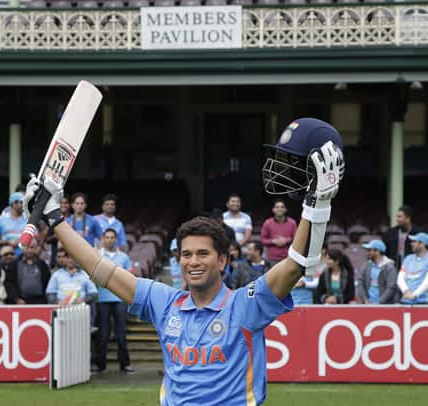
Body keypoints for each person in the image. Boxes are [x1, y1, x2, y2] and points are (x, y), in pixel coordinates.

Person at [22, 116, 344, 405]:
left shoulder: (245, 306)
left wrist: (317, 204)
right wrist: (55, 220)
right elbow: (100, 269)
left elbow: (294, 266)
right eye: (186, 254)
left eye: (203, 254)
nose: (192, 261)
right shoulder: (166, 303)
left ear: (222, 261)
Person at [93, 228, 135, 374]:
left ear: (116, 240)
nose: (110, 240)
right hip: (103, 299)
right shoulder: (97, 256)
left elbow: (129, 277)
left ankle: (125, 365)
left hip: (119, 298)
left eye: (112, 237)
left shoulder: (123, 257)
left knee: (121, 333)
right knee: (103, 334)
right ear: (103, 239)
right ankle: (100, 366)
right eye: (107, 237)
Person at [397, 232, 428, 304]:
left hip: (426, 302)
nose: (411, 244)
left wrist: (415, 295)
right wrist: (406, 291)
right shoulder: (408, 258)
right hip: (406, 301)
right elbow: (400, 279)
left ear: (422, 244)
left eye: (414, 242)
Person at [5, 239, 50, 305]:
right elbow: (9, 283)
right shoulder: (14, 264)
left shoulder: (43, 265)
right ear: (22, 248)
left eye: (31, 247)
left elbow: (47, 282)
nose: (29, 250)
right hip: (20, 302)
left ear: (35, 248)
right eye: (27, 247)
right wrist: (16, 299)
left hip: (39, 301)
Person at [356, 239, 399, 304]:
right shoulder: (366, 266)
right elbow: (360, 283)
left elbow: (391, 288)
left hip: (385, 306)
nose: (368, 253)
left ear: (377, 251)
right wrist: (365, 300)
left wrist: (379, 303)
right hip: (367, 304)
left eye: (370, 250)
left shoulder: (390, 268)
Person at [0, 192, 27, 256]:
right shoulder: (0, 219)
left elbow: (35, 239)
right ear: (13, 204)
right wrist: (8, 242)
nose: (24, 204)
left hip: (25, 257)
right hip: (7, 256)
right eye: (21, 202)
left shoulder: (28, 219)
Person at [260, 199, 297, 265]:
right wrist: (273, 241)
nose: (279, 209)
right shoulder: (267, 223)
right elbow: (263, 240)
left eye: (282, 207)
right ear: (273, 209)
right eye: (277, 207)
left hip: (288, 258)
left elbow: (296, 239)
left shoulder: (292, 223)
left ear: (285, 209)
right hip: (271, 259)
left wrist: (286, 240)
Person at [385, 205, 422, 270]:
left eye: (400, 217)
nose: (397, 219)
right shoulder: (390, 233)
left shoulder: (419, 233)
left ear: (408, 218)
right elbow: (385, 252)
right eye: (397, 217)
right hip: (393, 269)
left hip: (413, 269)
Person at [46, 196, 71, 268]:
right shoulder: (53, 220)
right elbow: (47, 239)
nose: (63, 205)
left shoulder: (73, 219)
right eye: (61, 203)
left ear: (69, 205)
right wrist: (56, 236)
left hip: (71, 257)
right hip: (56, 257)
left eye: (65, 203)